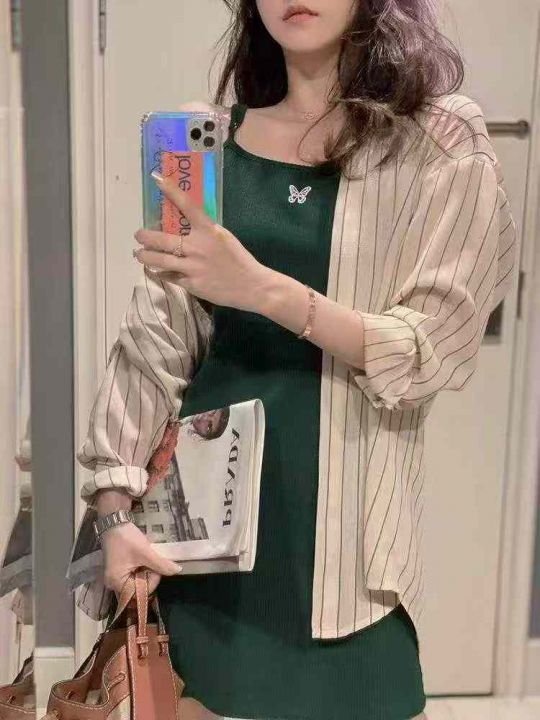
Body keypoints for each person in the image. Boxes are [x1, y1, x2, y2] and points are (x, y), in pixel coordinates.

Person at [74, 1, 517, 718]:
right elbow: (155, 345)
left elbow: (433, 349)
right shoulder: (206, 142)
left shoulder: (439, 141)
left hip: (351, 562)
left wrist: (262, 290)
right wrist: (113, 513)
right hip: (201, 542)